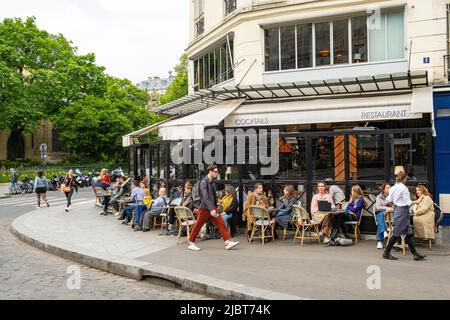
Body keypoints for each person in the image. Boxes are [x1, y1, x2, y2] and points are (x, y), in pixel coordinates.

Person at [187, 164, 239, 251]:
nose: (216, 173)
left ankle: (227, 242)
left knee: (220, 222)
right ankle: (191, 242)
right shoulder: (204, 182)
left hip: (212, 208)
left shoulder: (212, 182)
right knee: (198, 225)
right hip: (205, 209)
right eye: (215, 172)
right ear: (210, 171)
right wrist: (212, 209)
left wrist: (215, 207)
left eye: (217, 172)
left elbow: (212, 197)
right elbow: (205, 197)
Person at [383, 171, 426, 261]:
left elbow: (388, 200)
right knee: (396, 234)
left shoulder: (393, 188)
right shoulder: (404, 188)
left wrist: (394, 202)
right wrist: (417, 201)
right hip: (403, 211)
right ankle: (386, 253)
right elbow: (408, 202)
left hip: (398, 210)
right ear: (404, 178)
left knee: (409, 234)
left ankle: (415, 254)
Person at [374, 183, 392, 249]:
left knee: (380, 222)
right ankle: (384, 232)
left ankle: (380, 241)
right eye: (387, 187)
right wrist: (387, 208)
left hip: (390, 215)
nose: (389, 189)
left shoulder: (392, 196)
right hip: (381, 213)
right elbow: (378, 207)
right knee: (381, 215)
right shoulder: (379, 197)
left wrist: (387, 205)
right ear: (384, 189)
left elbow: (394, 206)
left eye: (390, 187)